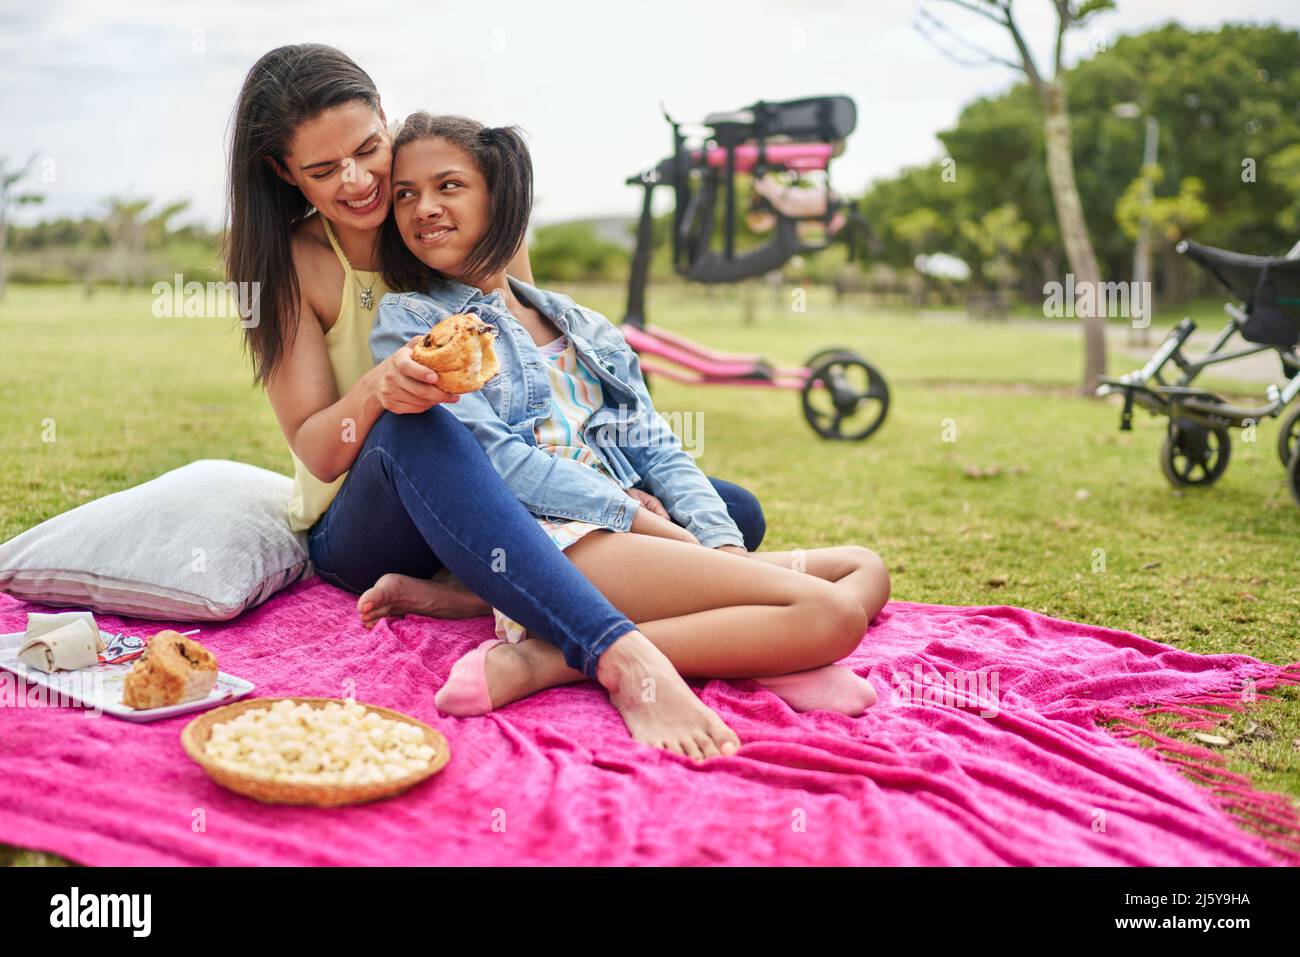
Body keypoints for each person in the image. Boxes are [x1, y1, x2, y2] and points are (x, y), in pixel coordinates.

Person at [226, 44, 768, 761]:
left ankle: (472, 593)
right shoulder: (292, 259)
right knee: (421, 427)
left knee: (735, 511)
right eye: (324, 171)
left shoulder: (459, 214)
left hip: (504, 486)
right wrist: (378, 386)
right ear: (283, 172)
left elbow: (547, 391)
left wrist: (611, 481)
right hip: (371, 517)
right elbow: (318, 449)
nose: (359, 182)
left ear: (387, 121)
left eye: (368, 149)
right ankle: (616, 654)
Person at [370, 112, 892, 731]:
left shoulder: (584, 325)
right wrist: (654, 529)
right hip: (560, 540)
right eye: (406, 194)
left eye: (448, 186)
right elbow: (498, 463)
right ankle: (566, 658)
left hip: (634, 534)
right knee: (832, 614)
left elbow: (659, 449)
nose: (423, 207)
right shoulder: (413, 323)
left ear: (500, 195)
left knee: (867, 569)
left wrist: (719, 546)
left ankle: (553, 656)